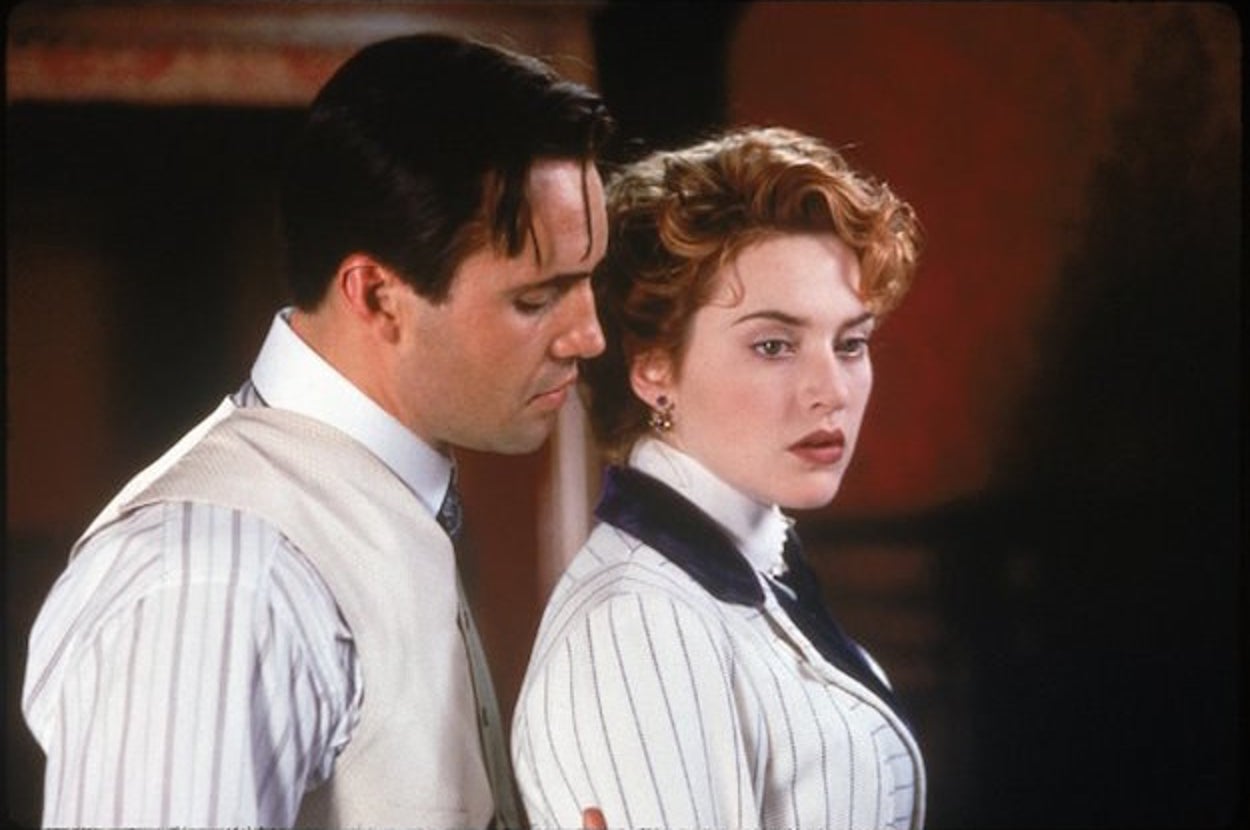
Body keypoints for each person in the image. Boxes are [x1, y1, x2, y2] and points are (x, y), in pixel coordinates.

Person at [22, 33, 613, 828]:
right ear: (375, 295)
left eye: (589, 282)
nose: (589, 335)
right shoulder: (224, 580)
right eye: (536, 298)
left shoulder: (383, 506)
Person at [512, 126, 927, 829]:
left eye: (851, 343)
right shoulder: (641, 623)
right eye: (774, 345)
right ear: (653, 368)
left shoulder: (748, 570)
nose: (831, 391)